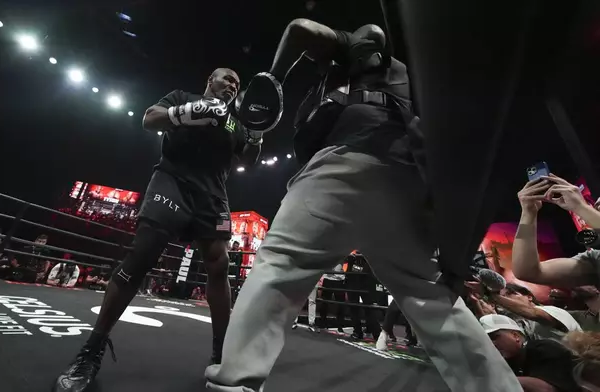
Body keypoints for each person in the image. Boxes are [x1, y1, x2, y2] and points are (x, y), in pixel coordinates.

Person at [205, 19, 522, 392]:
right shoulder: (425, 71)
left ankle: (236, 380)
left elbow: (300, 27)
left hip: (342, 162)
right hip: (407, 178)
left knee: (281, 266)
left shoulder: (355, 54)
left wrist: (271, 81)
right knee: (428, 294)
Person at [53, 68, 261, 392]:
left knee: (220, 265)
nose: (233, 85)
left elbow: (249, 155)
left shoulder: (236, 123)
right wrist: (191, 112)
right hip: (172, 183)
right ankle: (90, 351)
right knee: (142, 256)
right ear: (210, 79)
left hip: (214, 198)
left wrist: (259, 131)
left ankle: (221, 356)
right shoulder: (182, 97)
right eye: (227, 79)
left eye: (237, 83)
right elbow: (150, 119)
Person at [512, 175, 600, 289]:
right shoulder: (595, 258)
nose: (595, 207)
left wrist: (580, 206)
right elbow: (527, 271)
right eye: (596, 206)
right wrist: (528, 214)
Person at [480, 314, 582, 392]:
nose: (491, 344)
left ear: (515, 335)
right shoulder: (505, 362)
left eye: (494, 337)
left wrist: (499, 378)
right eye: (486, 340)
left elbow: (546, 389)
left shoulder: (544, 348)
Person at [465, 280, 582, 341]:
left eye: (510, 294)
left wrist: (491, 295)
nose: (505, 300)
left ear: (529, 297)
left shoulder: (550, 310)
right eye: (503, 297)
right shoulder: (521, 327)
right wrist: (478, 303)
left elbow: (533, 313)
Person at [318, 262, 346, 332]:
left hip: (339, 279)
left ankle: (340, 325)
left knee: (341, 304)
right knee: (324, 302)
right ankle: (323, 323)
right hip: (328, 279)